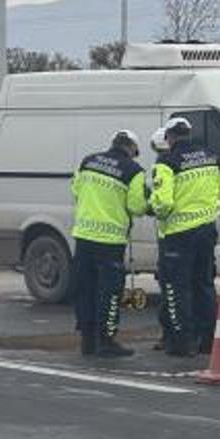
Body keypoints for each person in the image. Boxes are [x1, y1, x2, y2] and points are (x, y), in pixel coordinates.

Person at [149, 117, 220, 357]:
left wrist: (152, 206)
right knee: (203, 284)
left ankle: (182, 342)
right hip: (206, 229)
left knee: (176, 288)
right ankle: (208, 341)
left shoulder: (167, 161)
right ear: (189, 133)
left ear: (169, 137)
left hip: (178, 235)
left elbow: (163, 203)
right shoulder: (210, 157)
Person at [70, 130, 147, 358]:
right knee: (109, 292)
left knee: (85, 290)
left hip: (84, 236)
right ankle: (106, 340)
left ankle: (87, 341)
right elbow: (136, 207)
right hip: (111, 242)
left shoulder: (88, 161)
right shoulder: (133, 171)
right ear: (132, 149)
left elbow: (76, 190)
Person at [148, 126, 175, 352]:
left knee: (171, 289)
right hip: (200, 231)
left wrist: (152, 207)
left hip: (171, 235)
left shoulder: (163, 167)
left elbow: (162, 203)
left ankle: (170, 336)